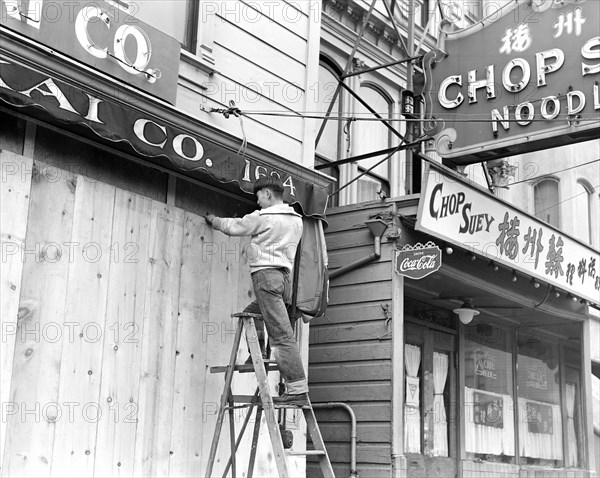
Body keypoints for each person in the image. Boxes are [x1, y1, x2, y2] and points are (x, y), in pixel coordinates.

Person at [204, 177, 308, 406]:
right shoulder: (297, 221)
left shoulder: (264, 217)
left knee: (281, 335)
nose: (257, 201)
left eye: (259, 196)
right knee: (251, 314)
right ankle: (257, 353)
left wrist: (214, 221)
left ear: (269, 194)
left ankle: (297, 388)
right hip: (284, 279)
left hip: (266, 277)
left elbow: (235, 226)